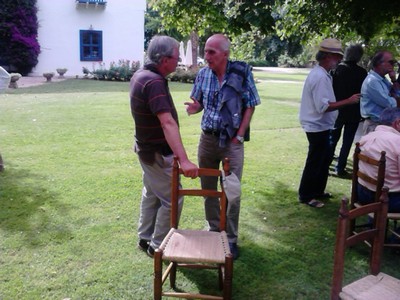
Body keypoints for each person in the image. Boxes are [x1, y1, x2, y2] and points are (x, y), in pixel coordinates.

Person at [185, 33, 261, 259]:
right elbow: (199, 104)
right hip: (207, 140)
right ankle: (212, 230)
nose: (205, 56)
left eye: (211, 52)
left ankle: (230, 238)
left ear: (225, 54)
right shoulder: (203, 75)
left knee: (232, 192)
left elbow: (250, 105)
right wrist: (195, 108)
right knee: (208, 189)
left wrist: (239, 135)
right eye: (205, 51)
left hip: (231, 141)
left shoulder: (241, 72)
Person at [130, 35, 198, 258]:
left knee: (151, 193)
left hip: (146, 150)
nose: (178, 62)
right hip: (157, 153)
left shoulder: (140, 75)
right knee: (172, 198)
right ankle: (158, 245)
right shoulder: (154, 82)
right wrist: (185, 160)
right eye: (176, 58)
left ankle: (145, 236)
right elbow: (167, 122)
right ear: (164, 59)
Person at [298, 38, 361, 208]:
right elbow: (323, 107)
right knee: (316, 160)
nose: (339, 60)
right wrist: (348, 101)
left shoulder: (322, 74)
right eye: (336, 56)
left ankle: (318, 191)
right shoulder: (319, 77)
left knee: (324, 158)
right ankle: (306, 195)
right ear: (327, 56)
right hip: (316, 126)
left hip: (321, 125)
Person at [330, 44, 367, 177]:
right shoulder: (362, 72)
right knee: (347, 141)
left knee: (333, 138)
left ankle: (327, 164)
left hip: (338, 109)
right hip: (354, 111)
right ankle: (340, 167)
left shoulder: (337, 70)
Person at [357, 107, 400, 213]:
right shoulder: (397, 141)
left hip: (362, 194)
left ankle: (373, 225)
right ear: (398, 123)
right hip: (387, 200)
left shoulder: (366, 138)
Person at [360, 50, 400, 135]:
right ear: (379, 63)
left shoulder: (382, 79)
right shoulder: (372, 81)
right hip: (374, 125)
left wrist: (394, 80)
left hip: (383, 125)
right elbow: (390, 104)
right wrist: (396, 99)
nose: (393, 65)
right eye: (391, 62)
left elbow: (397, 94)